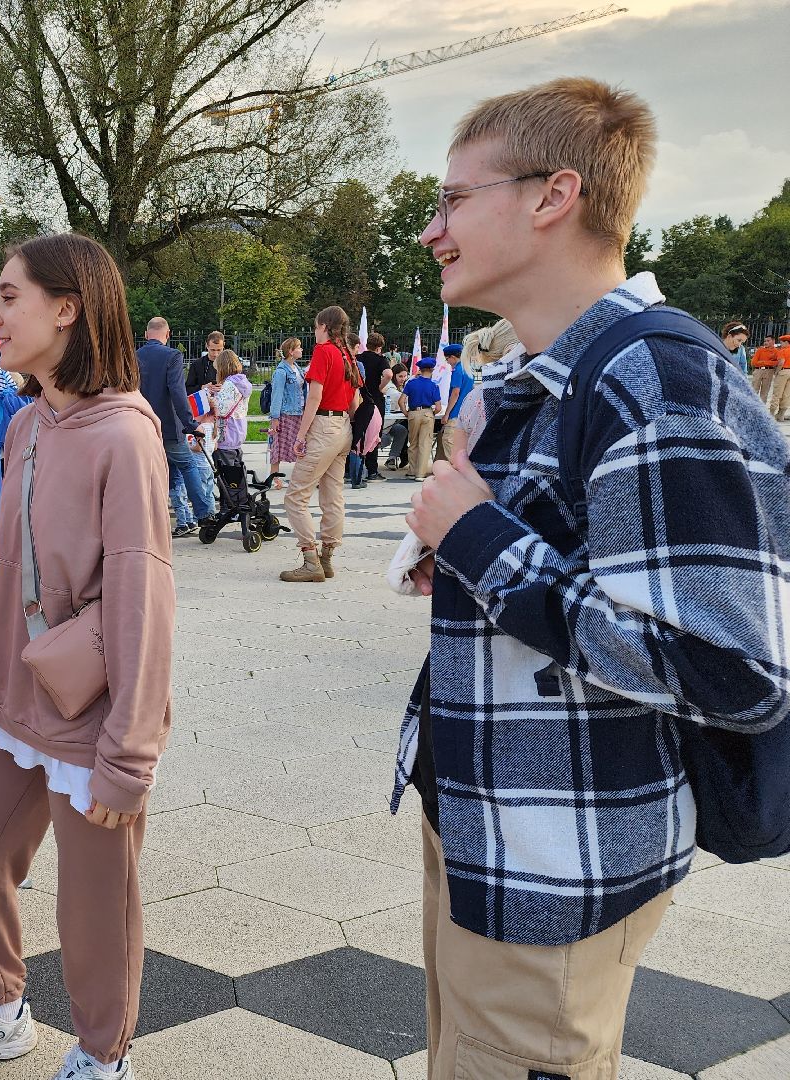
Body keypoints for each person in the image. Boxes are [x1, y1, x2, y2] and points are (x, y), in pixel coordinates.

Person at [401, 77, 790, 1080]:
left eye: (452, 200)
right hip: (502, 826)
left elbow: (726, 665)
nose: (433, 229)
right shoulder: (556, 373)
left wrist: (482, 540)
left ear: (551, 195)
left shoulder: (651, 381)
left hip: (558, 854)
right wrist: (463, 550)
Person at [0, 232, 172, 1080]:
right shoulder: (26, 421)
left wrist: (128, 756)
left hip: (92, 723)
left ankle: (102, 1058)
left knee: (94, 914)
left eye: (10, 297)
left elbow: (142, 602)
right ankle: (2, 1011)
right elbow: (14, 560)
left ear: (67, 307)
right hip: (14, 702)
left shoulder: (125, 438)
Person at [279, 305, 362, 583]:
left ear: (324, 326)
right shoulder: (348, 354)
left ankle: (310, 559)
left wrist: (301, 435)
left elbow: (315, 397)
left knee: (296, 496)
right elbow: (355, 401)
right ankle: (327, 558)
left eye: (316, 327)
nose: (314, 332)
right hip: (343, 427)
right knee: (332, 495)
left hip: (324, 426)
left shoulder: (323, 352)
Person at [136, 316, 214, 537]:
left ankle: (150, 518)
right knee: (187, 465)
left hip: (142, 427)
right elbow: (179, 394)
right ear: (168, 334)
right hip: (169, 427)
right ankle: (204, 513)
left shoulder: (134, 357)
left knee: (152, 474)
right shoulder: (173, 356)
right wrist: (190, 424)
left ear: (145, 333)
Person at [266, 337, 306, 489]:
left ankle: (298, 477)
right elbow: (277, 395)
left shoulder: (296, 368)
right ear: (291, 351)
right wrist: (275, 417)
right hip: (285, 413)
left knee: (299, 445)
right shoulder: (281, 372)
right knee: (279, 446)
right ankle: (274, 477)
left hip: (298, 412)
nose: (301, 350)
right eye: (299, 347)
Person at [354, 331, 393, 481]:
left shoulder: (359, 358)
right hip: (375, 399)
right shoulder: (380, 359)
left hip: (359, 398)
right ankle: (372, 470)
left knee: (358, 432)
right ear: (379, 347)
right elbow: (389, 374)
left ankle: (354, 467)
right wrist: (379, 386)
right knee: (374, 435)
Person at [210, 348, 253, 478]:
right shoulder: (242, 382)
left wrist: (210, 398)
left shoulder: (229, 384)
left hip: (226, 434)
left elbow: (221, 409)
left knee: (226, 474)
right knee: (236, 471)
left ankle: (228, 497)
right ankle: (238, 495)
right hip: (238, 430)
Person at [401, 357, 442, 480]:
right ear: (432, 370)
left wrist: (406, 413)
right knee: (425, 444)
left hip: (413, 414)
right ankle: (420, 474)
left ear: (420, 369)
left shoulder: (411, 383)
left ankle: (411, 471)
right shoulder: (434, 385)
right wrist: (432, 413)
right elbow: (438, 407)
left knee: (413, 443)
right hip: (427, 413)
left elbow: (401, 401)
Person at [435, 343, 474, 460]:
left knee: (448, 439)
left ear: (452, 357)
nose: (447, 362)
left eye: (447, 359)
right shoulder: (468, 368)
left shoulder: (457, 370)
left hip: (456, 411)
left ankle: (454, 466)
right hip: (466, 410)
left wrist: (446, 414)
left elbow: (455, 393)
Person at [381, 365, 411, 469]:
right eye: (400, 376)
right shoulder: (390, 387)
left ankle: (392, 458)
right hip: (383, 424)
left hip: (392, 422)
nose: (403, 379)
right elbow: (398, 396)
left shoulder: (399, 387)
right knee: (386, 439)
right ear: (394, 376)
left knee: (402, 430)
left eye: (405, 376)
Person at [185, 330, 221, 395]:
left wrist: (225, 388)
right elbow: (187, 389)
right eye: (212, 350)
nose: (215, 354)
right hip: (203, 403)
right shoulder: (196, 365)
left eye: (219, 350)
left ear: (223, 345)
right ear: (207, 346)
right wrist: (202, 387)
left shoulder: (229, 365)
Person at [750, 334, 780, 403]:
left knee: (765, 391)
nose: (765, 342)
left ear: (773, 341)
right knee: (754, 390)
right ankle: (752, 406)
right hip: (758, 370)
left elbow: (778, 362)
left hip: (769, 371)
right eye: (765, 341)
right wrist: (770, 362)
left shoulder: (776, 351)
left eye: (768, 340)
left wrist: (763, 362)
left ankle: (762, 409)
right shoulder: (760, 350)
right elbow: (754, 362)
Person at [771, 333, 790, 421]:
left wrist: (776, 371)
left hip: (783, 371)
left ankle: (771, 414)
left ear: (786, 342)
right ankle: (781, 415)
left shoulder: (783, 351)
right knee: (786, 394)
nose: (781, 344)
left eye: (782, 342)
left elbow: (781, 362)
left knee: (777, 393)